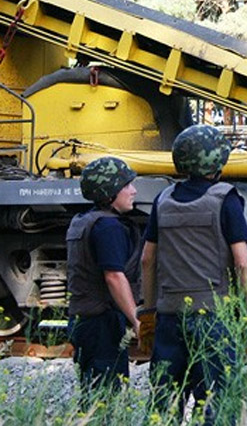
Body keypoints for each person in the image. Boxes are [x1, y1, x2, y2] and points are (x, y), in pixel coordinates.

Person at [138, 124, 247, 423]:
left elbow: (147, 260)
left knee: (164, 405)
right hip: (214, 318)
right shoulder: (225, 199)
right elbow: (243, 262)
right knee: (219, 404)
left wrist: (150, 313)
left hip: (169, 316)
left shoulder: (163, 200)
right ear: (218, 161)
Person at [67, 156, 140, 392]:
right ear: (110, 192)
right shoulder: (108, 227)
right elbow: (114, 277)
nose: (133, 190)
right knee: (104, 395)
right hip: (101, 324)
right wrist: (136, 320)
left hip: (86, 320)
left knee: (95, 392)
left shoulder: (85, 221)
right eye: (127, 185)